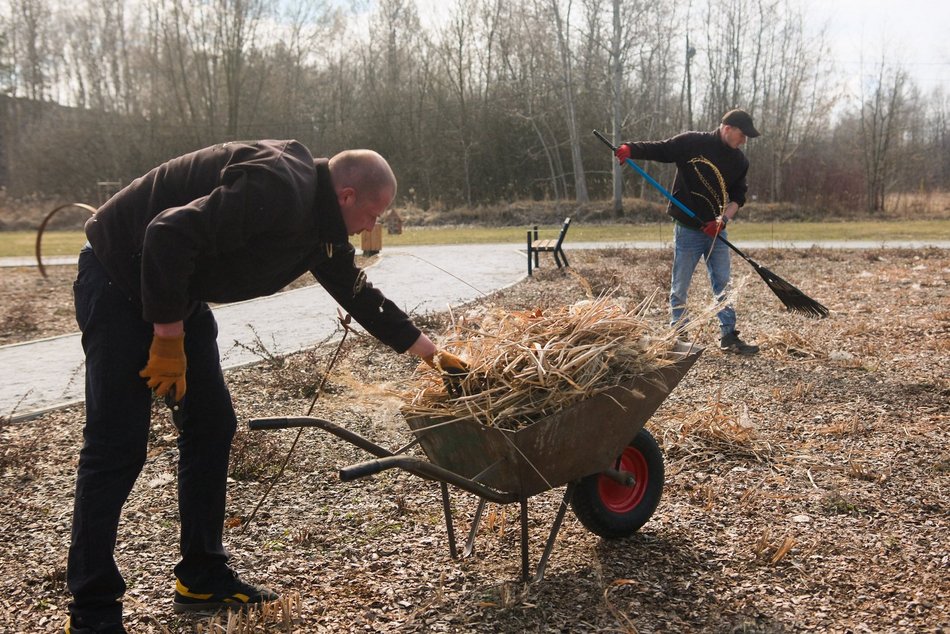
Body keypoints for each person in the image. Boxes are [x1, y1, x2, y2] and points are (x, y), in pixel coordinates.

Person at [65, 140, 466, 633]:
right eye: (373, 212)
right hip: (118, 276)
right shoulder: (279, 185)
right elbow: (166, 232)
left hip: (175, 288)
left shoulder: (321, 227)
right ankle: (92, 612)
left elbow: (359, 295)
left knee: (211, 426)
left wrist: (432, 355)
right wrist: (166, 338)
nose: (373, 225)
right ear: (346, 195)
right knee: (117, 446)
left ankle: (202, 578)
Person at [615, 108, 761, 355]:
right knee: (680, 285)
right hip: (688, 231)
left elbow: (738, 197)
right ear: (728, 129)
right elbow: (660, 149)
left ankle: (728, 336)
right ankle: (678, 333)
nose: (744, 140)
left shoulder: (740, 161)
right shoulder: (692, 142)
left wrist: (722, 220)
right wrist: (630, 149)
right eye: (742, 135)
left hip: (716, 233)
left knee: (723, 284)